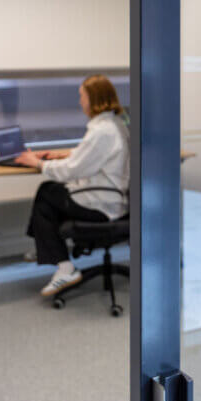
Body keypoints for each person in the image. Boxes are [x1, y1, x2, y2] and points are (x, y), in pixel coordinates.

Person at [15, 75, 129, 298]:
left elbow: (72, 170)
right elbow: (91, 156)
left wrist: (38, 163)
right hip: (112, 197)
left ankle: (64, 266)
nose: (80, 102)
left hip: (102, 205)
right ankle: (48, 252)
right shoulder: (114, 123)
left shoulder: (102, 131)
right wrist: (66, 154)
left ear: (94, 99)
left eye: (82, 97)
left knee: (47, 192)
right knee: (51, 193)